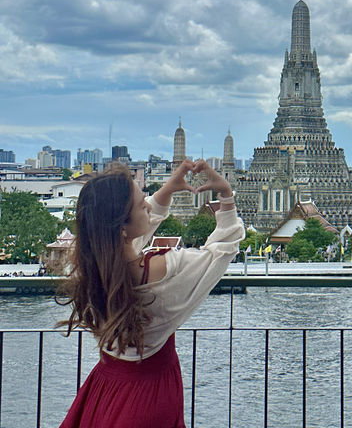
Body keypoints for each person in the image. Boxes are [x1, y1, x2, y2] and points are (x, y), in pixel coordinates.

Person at [57, 159, 244, 428]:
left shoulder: (94, 269)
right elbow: (224, 248)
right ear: (122, 227)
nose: (147, 202)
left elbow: (126, 239)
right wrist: (226, 195)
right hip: (151, 396)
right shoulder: (163, 271)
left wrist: (168, 189)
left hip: (106, 387)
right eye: (139, 201)